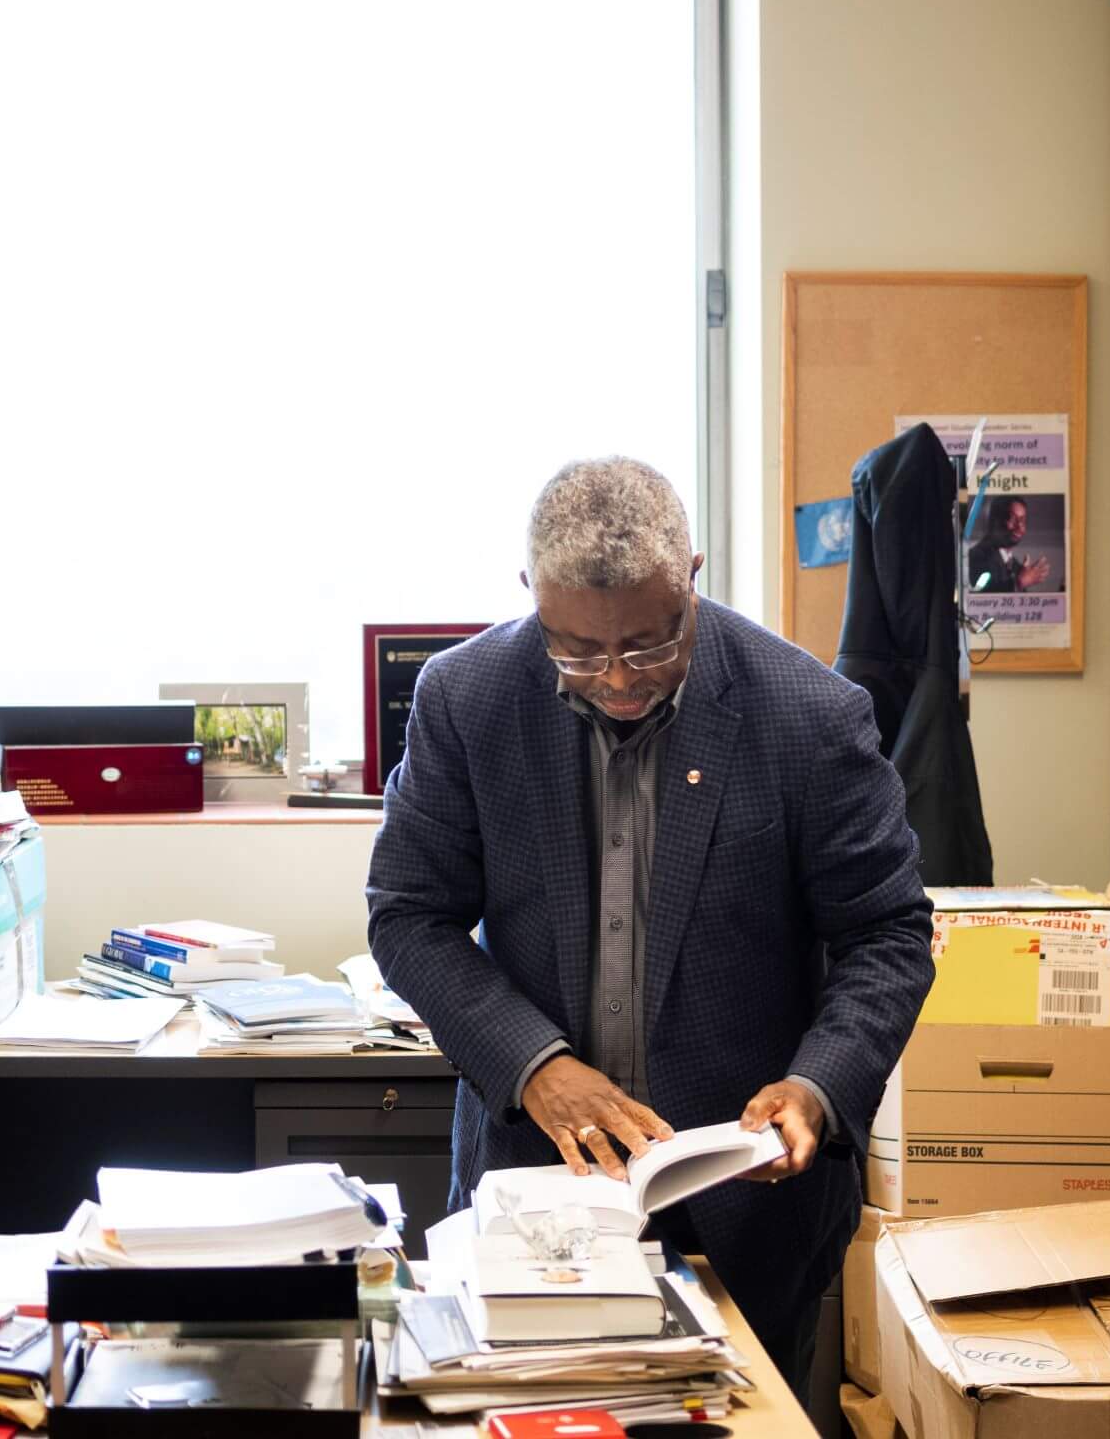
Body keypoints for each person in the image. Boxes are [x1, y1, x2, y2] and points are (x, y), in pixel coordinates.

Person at [365, 457, 933, 1393]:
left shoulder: (808, 713)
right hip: (535, 1191)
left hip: (747, 1202)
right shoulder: (467, 700)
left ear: (693, 576)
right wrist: (535, 1067)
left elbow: (887, 934)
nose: (619, 677)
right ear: (529, 598)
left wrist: (817, 1084)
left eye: (652, 640)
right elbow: (409, 916)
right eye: (579, 650)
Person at [967, 495, 1053, 594]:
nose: (1020, 526)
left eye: (1023, 520)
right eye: (1012, 518)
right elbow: (978, 599)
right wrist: (1019, 583)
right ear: (995, 520)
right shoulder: (976, 556)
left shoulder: (1016, 566)